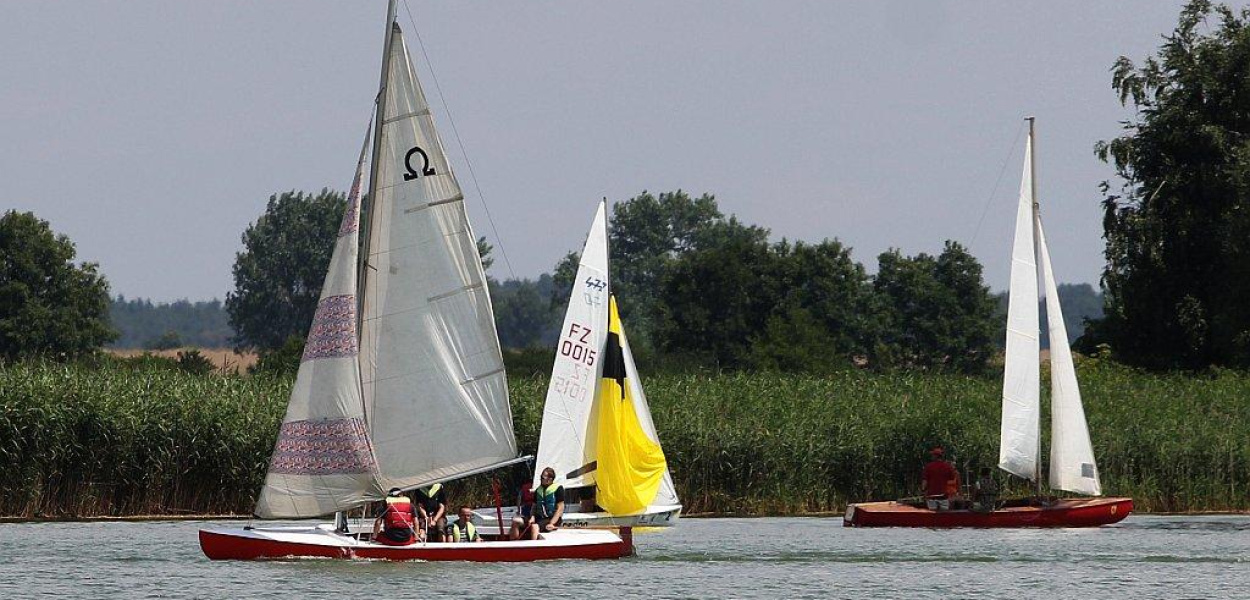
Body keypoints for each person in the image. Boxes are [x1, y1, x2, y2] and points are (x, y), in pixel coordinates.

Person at [523, 467, 564, 540]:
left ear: (550, 479)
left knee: (534, 527)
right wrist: (532, 517)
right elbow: (534, 507)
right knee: (516, 521)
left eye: (542, 478)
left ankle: (533, 549)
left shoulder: (558, 489)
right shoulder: (538, 490)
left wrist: (552, 523)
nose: (540, 479)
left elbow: (560, 508)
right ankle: (512, 546)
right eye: (541, 477)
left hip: (552, 519)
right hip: (539, 518)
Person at [922, 447, 959, 511]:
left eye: (933, 455)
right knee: (944, 516)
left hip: (931, 496)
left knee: (932, 515)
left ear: (936, 456)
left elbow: (925, 481)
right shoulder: (947, 466)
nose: (932, 456)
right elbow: (952, 478)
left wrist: (923, 491)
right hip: (943, 496)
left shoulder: (928, 466)